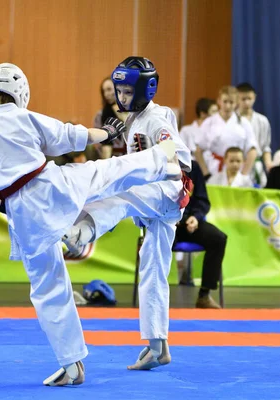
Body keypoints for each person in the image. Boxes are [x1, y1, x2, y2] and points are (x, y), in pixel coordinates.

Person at [0, 62, 181, 387]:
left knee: (47, 288)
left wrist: (8, 208)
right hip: (51, 186)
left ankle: (71, 364)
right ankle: (88, 225)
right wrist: (107, 132)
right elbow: (73, 136)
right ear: (20, 92)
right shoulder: (24, 117)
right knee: (110, 174)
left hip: (21, 212)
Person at [63, 56, 192, 371]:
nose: (120, 97)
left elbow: (174, 155)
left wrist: (137, 168)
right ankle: (157, 347)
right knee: (153, 267)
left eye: (126, 91)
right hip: (158, 197)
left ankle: (82, 231)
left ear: (146, 88)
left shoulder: (159, 117)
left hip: (168, 188)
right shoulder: (134, 119)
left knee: (120, 194)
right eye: (118, 90)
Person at [175, 160, 227, 308]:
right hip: (165, 223)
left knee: (218, 239)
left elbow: (202, 199)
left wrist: (195, 217)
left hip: (189, 223)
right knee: (157, 244)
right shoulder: (157, 163)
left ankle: (204, 295)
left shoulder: (193, 166)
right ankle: (154, 295)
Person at [195, 86, 258, 180]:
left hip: (238, 169)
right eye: (225, 101)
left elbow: (252, 151)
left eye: (231, 102)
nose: (228, 106)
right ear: (219, 101)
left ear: (236, 103)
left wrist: (244, 174)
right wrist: (205, 173)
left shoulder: (243, 123)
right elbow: (198, 151)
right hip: (214, 169)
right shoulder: (209, 122)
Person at [236, 82, 272, 186]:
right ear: (236, 99)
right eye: (243, 99)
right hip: (236, 165)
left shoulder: (262, 120)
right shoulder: (232, 120)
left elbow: (266, 147)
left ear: (254, 98)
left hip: (256, 166)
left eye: (249, 99)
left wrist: (269, 164)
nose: (247, 102)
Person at [94, 77, 128, 159]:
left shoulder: (133, 110)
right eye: (104, 91)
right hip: (112, 157)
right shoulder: (101, 115)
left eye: (109, 89)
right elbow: (104, 143)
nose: (106, 94)